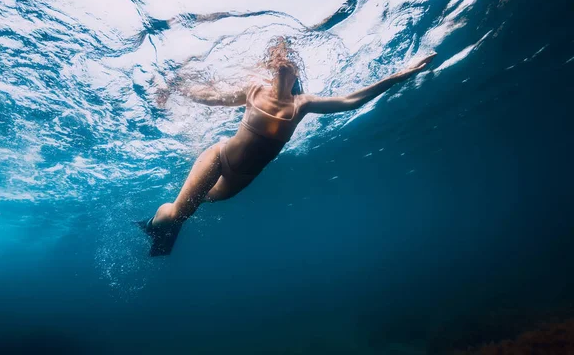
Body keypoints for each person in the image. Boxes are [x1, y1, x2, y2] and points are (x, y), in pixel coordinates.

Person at [137, 38, 436, 256]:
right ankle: (156, 225)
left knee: (190, 209)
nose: (281, 59)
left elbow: (352, 101)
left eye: (287, 56)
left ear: (296, 73)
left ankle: (165, 228)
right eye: (276, 55)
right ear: (270, 66)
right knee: (179, 212)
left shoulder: (302, 104)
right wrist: (174, 88)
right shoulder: (254, 90)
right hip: (218, 155)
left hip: (237, 182)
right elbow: (211, 96)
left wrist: (400, 76)